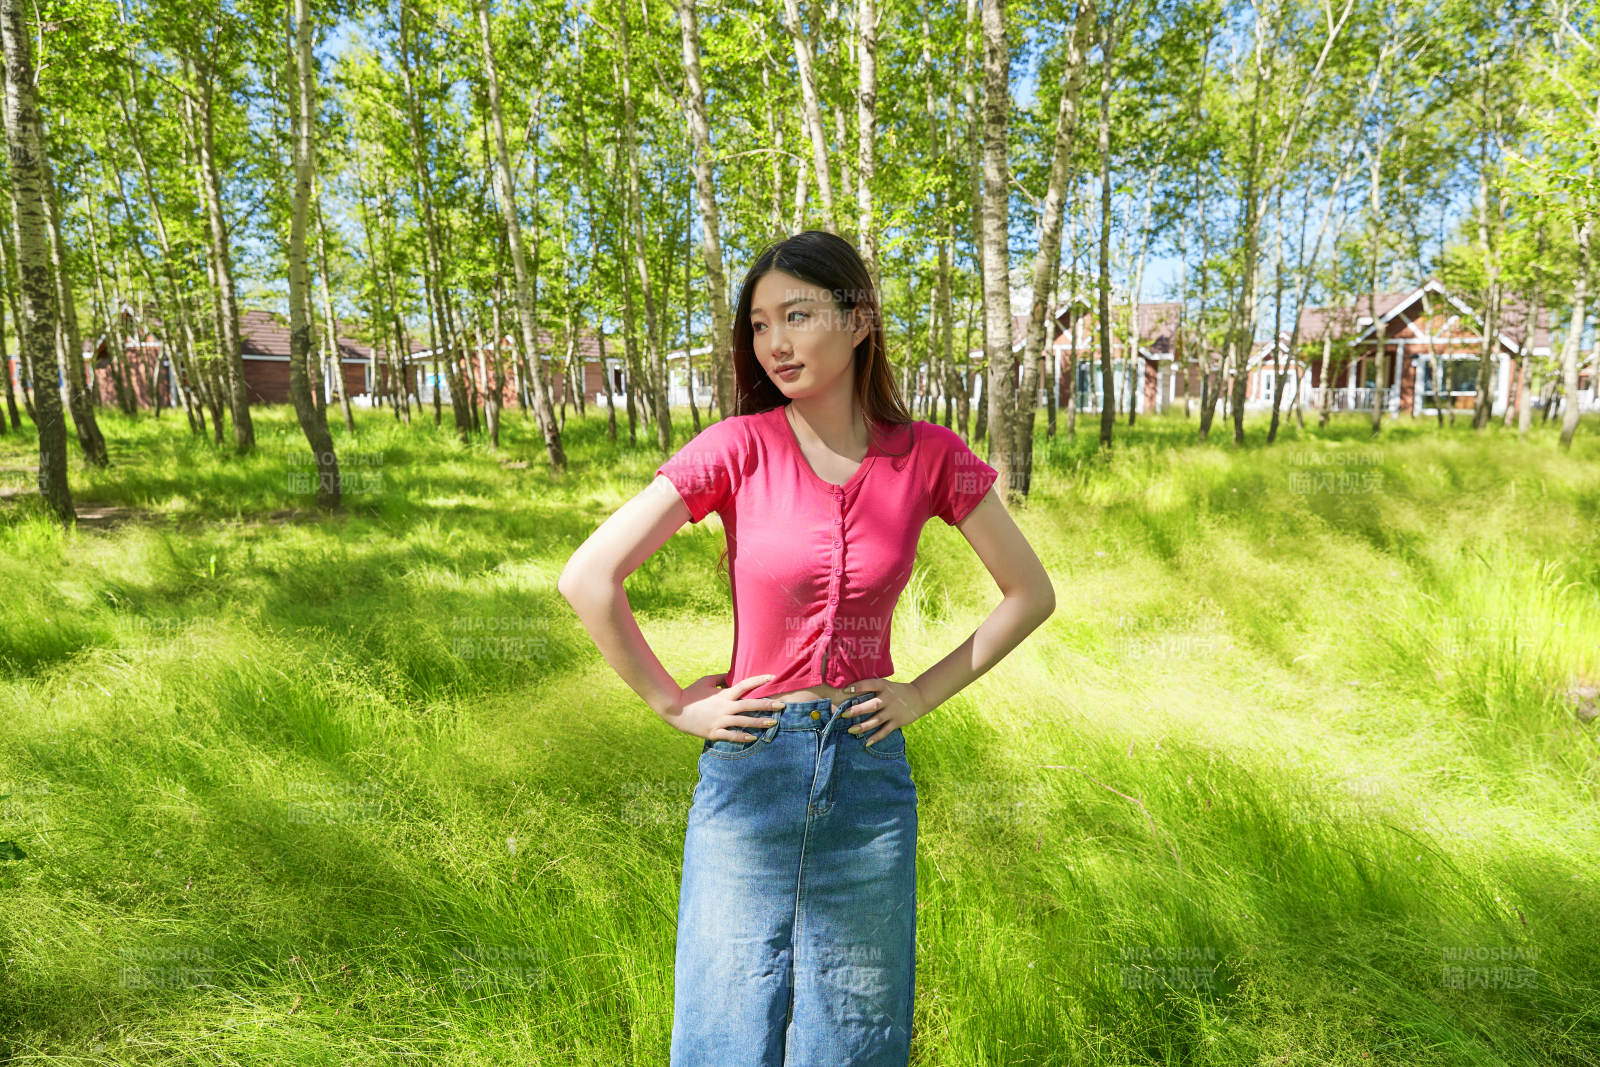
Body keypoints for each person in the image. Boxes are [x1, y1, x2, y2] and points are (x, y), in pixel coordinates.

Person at [558, 230, 1055, 1065]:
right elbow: (589, 575)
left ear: (860, 320)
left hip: (868, 777)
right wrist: (673, 702)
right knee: (724, 1031)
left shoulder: (930, 455)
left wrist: (920, 694)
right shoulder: (737, 447)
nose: (775, 343)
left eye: (797, 315)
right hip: (752, 765)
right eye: (758, 325)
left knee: (856, 1036)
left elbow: (1030, 594)